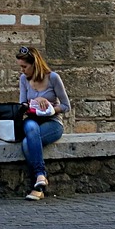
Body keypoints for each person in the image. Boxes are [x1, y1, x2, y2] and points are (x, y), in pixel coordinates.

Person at [16, 45, 70, 201]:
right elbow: (22, 105)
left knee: (27, 144)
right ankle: (40, 178)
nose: (22, 70)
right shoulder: (24, 79)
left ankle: (39, 182)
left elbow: (66, 106)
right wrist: (33, 103)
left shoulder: (53, 78)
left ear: (35, 64)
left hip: (52, 122)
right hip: (32, 120)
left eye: (25, 67)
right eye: (20, 67)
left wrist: (49, 107)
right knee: (31, 128)